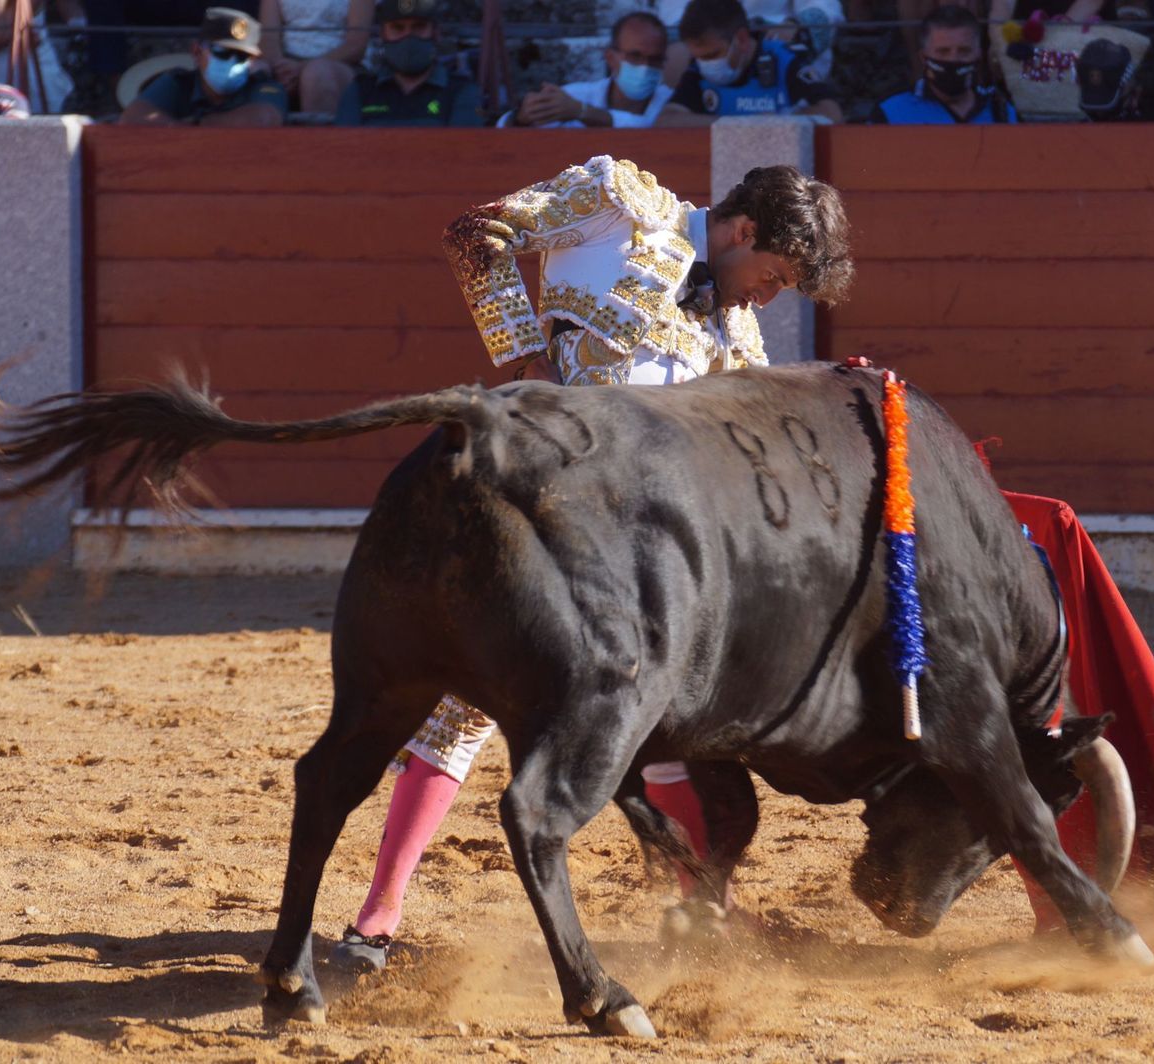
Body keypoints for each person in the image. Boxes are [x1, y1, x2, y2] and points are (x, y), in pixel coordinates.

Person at [329, 155, 854, 972]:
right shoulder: (618, 204)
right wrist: (527, 362)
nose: (768, 297)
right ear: (743, 231)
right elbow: (474, 235)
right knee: (463, 706)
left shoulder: (738, 337)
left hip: (632, 557)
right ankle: (378, 914)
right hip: (536, 513)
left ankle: (699, 907)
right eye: (774, 276)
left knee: (665, 712)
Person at [656, 0, 844, 126]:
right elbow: (667, 120)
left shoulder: (784, 59)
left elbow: (832, 114)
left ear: (742, 40)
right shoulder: (699, 65)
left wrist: (773, 123)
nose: (707, 64)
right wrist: (735, 124)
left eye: (713, 55)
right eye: (700, 58)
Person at [498, 11, 671, 129]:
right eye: (635, 56)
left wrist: (582, 112)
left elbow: (650, 127)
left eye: (655, 59)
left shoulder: (672, 103)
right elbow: (502, 130)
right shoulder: (574, 96)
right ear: (610, 57)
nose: (645, 66)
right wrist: (522, 117)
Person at [119, 7, 288, 126]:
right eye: (222, 52)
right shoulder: (179, 82)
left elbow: (263, 119)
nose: (232, 61)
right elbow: (133, 117)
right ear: (197, 51)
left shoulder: (264, 86)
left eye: (242, 55)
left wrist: (194, 124)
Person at [332, 0, 479, 127]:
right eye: (397, 28)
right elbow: (345, 147)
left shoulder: (461, 92)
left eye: (418, 27)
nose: (408, 36)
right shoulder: (359, 92)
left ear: (435, 33)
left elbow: (465, 148)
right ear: (383, 34)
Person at [870, 6, 1017, 124]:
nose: (953, 59)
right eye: (943, 51)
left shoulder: (1001, 110)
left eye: (964, 51)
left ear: (979, 55)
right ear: (923, 57)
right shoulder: (891, 111)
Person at [258, 0, 374, 114]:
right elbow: (269, 37)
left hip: (341, 63)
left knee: (317, 74)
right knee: (257, 70)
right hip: (286, 64)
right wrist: (281, 69)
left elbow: (356, 45)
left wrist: (301, 68)